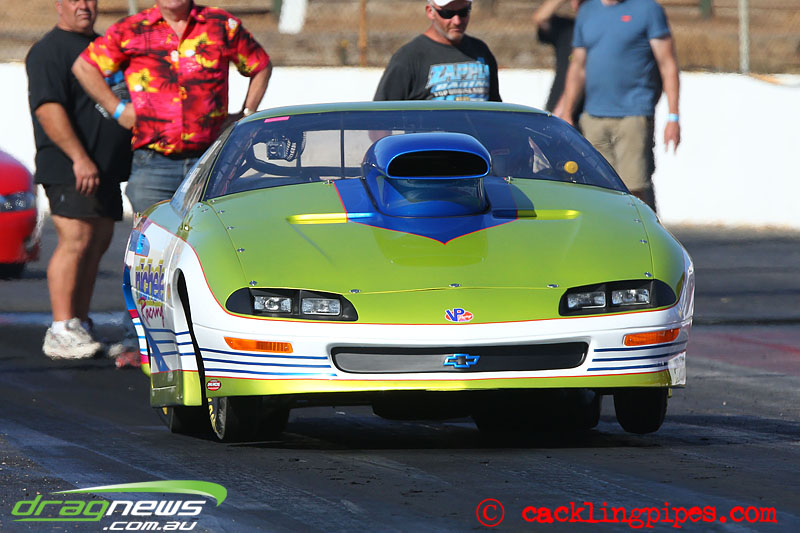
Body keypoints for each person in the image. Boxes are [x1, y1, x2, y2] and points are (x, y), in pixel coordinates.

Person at [72, 0, 272, 214]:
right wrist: (118, 110)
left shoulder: (220, 24)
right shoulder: (131, 29)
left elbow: (260, 64)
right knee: (154, 234)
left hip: (211, 162)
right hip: (153, 165)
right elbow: (85, 66)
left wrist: (246, 113)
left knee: (208, 232)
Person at [26, 0, 132, 359]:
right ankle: (60, 328)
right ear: (59, 5)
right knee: (75, 239)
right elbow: (48, 109)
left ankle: (79, 324)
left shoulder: (103, 47)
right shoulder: (49, 51)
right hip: (70, 166)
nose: (83, 5)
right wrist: (79, 158)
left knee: (97, 241)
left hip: (104, 168)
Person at [555, 0, 681, 211]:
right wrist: (567, 112)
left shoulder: (647, 10)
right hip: (593, 118)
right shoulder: (588, 11)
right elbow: (578, 66)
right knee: (597, 189)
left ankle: (643, 232)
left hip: (633, 115)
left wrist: (673, 116)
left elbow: (667, 64)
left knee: (634, 190)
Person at [374, 0, 501, 102]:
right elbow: (381, 116)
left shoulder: (480, 50)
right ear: (430, 11)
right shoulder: (408, 57)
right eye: (447, 13)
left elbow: (495, 110)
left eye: (463, 12)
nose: (457, 21)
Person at [532, 0, 585, 125]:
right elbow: (540, 17)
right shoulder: (567, 28)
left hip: (591, 110)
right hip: (558, 108)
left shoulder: (605, 29)